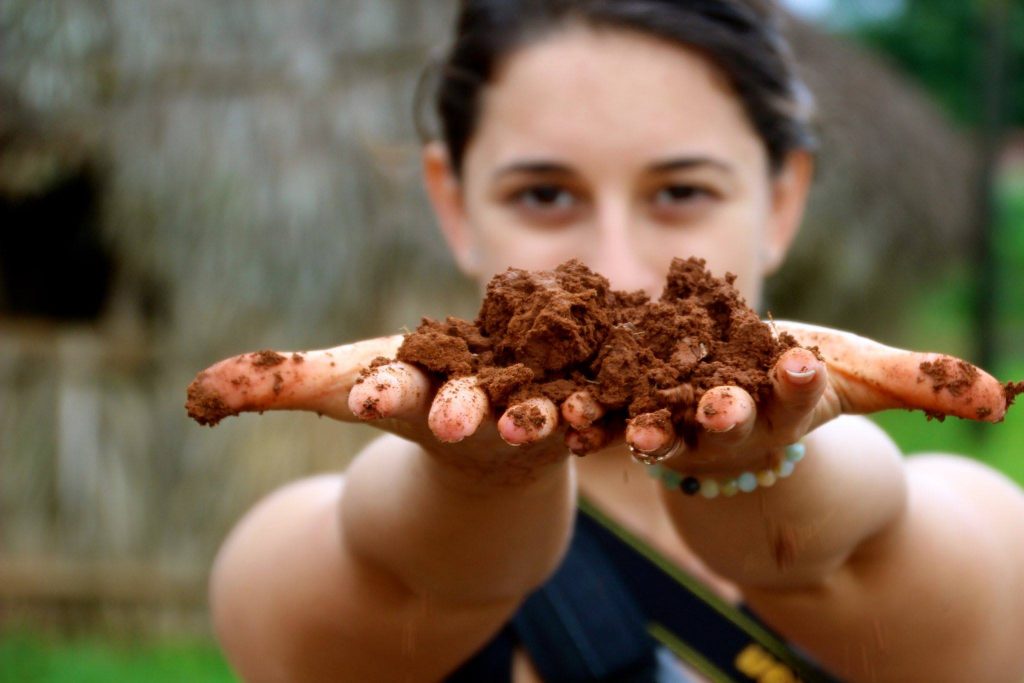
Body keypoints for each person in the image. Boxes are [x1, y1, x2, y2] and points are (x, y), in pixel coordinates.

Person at [191, 1, 1024, 680]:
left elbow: (890, 562)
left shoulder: (982, 534)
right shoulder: (302, 558)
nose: (618, 270)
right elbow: (390, 579)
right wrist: (477, 485)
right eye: (546, 193)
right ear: (452, 202)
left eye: (682, 190)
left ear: (781, 200)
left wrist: (758, 475)